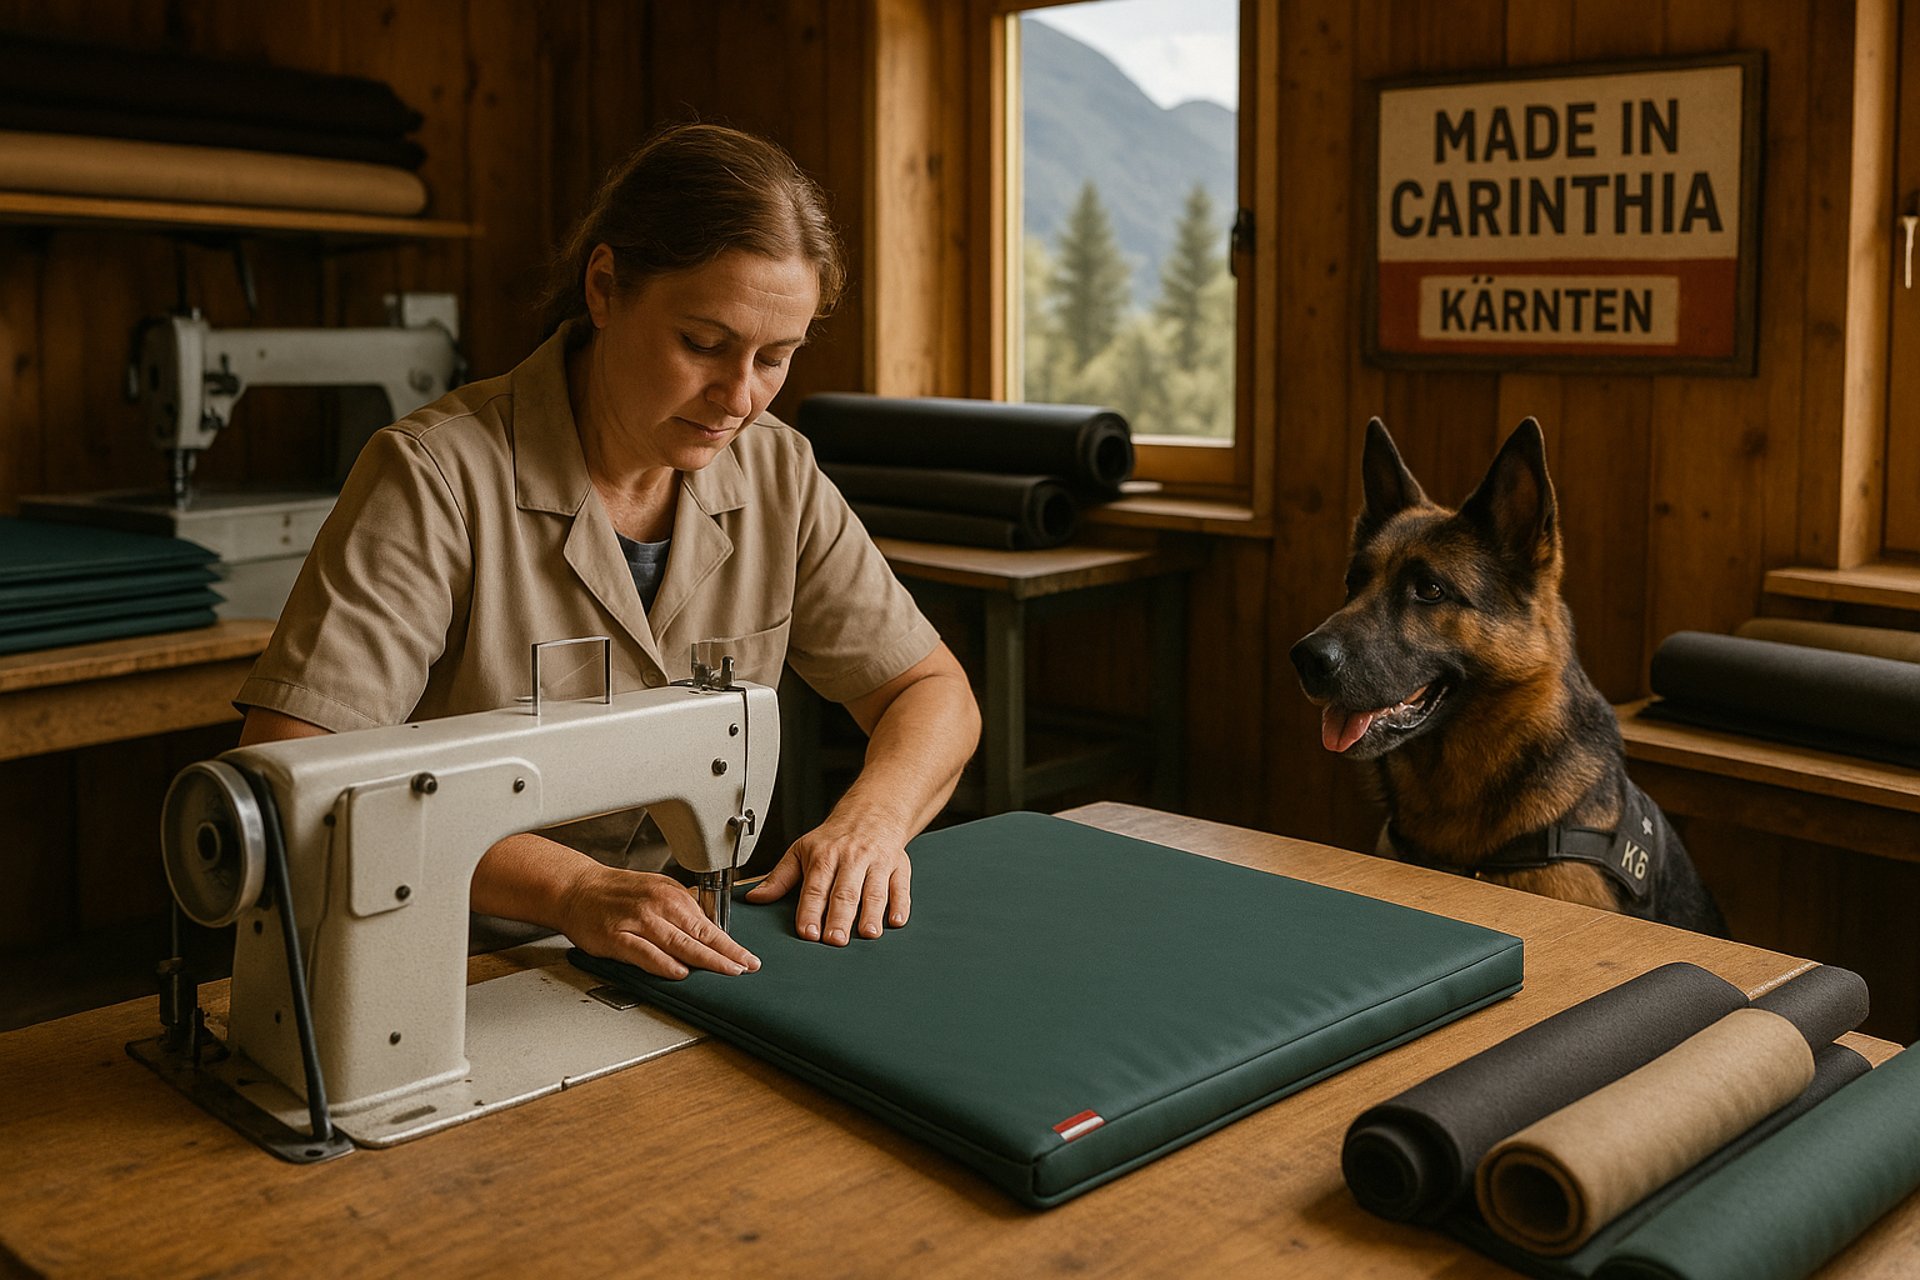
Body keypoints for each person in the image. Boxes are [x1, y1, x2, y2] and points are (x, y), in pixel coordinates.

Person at [235, 123, 981, 981]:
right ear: (604, 287)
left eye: (774, 358)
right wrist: (571, 890)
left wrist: (871, 823)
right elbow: (291, 775)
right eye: (702, 344)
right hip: (437, 955)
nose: (739, 397)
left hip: (655, 948)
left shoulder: (777, 470)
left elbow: (931, 692)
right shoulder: (436, 477)